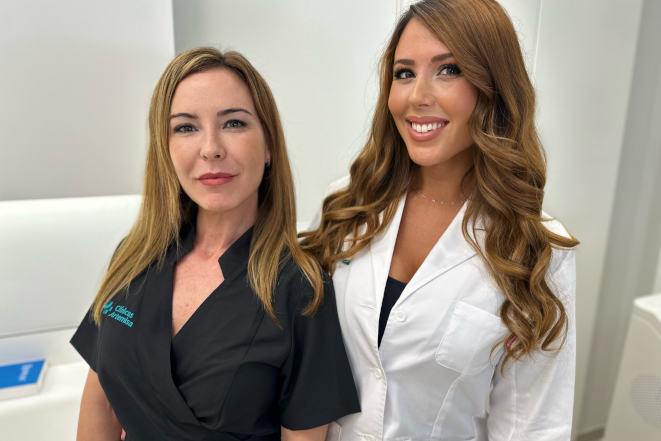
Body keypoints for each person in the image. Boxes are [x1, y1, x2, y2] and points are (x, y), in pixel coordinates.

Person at [300, 1, 579, 440]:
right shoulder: (349, 205)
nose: (417, 96)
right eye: (404, 73)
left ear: (493, 86)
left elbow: (533, 426)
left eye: (449, 70)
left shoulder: (535, 248)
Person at [71, 47, 359, 441]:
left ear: (269, 145)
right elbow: (102, 402)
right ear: (165, 148)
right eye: (185, 128)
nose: (211, 148)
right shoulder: (134, 257)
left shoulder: (300, 289)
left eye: (234, 123)